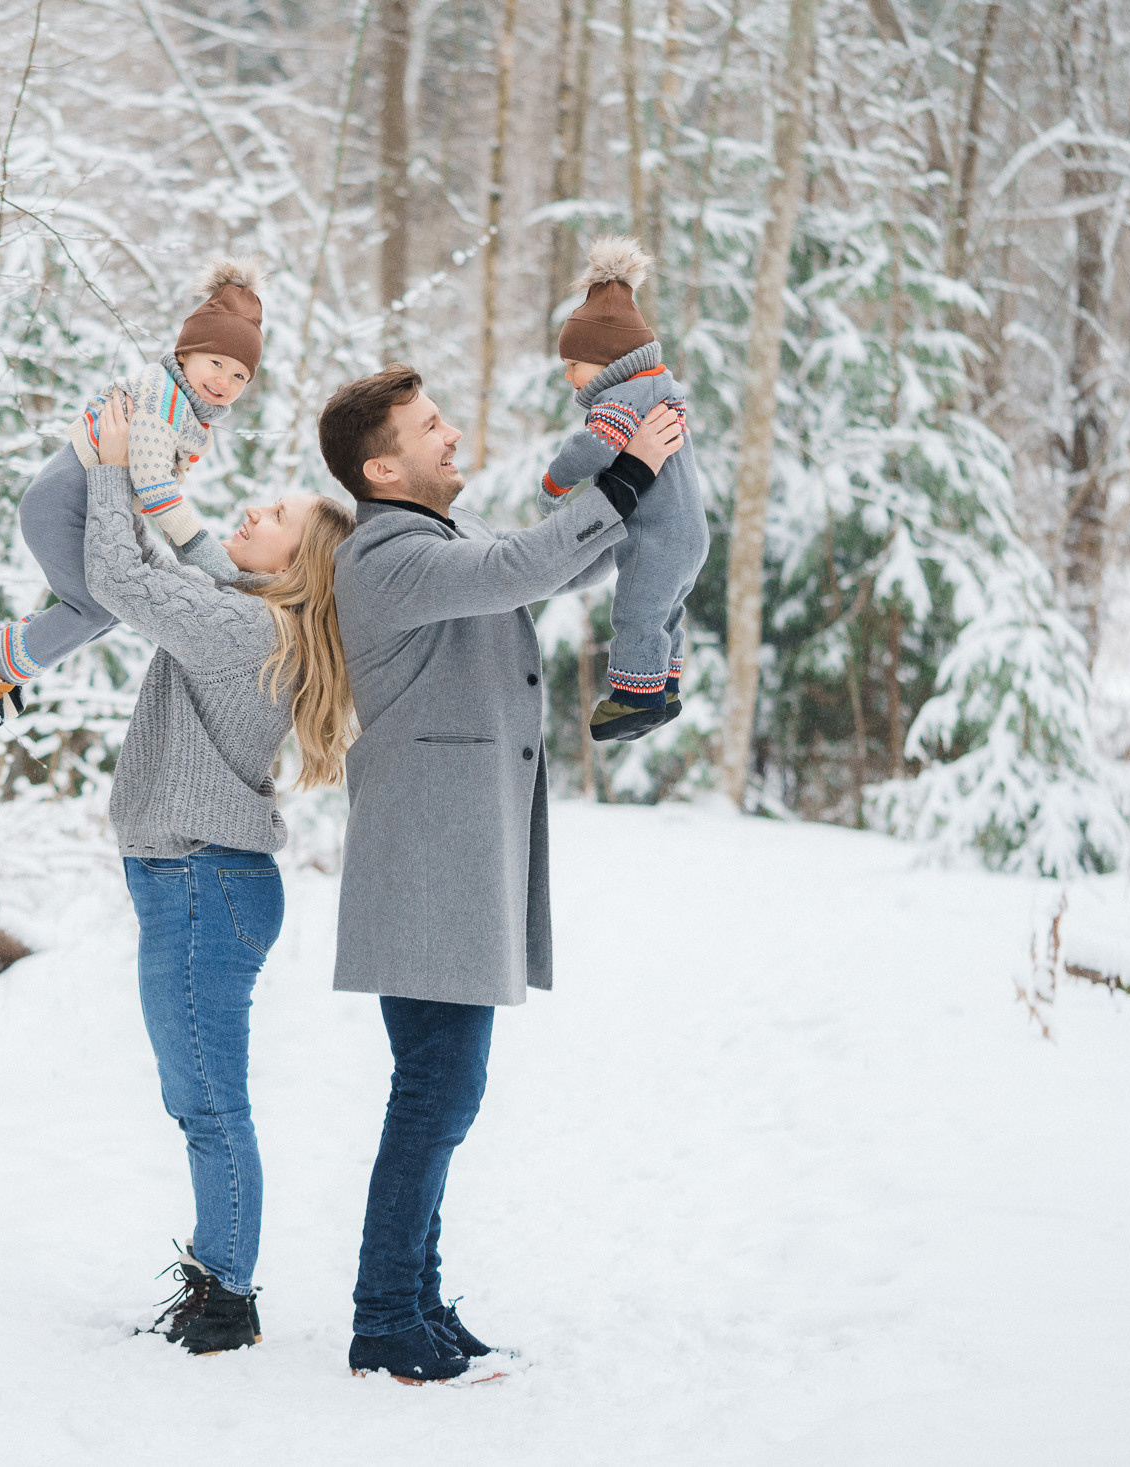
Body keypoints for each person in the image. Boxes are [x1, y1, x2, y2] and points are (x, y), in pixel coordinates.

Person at [316, 363, 683, 1382]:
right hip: (429, 856)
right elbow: (522, 569)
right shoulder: (386, 554)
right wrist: (621, 481)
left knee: (442, 1088)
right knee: (437, 1089)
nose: (452, 434)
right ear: (380, 465)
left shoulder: (443, 542)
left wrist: (634, 478)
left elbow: (546, 568)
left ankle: (418, 1305)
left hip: (452, 851)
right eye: (430, 426)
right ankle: (385, 1314)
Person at [81, 392, 358, 1354]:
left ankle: (226, 1294)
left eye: (274, 516)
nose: (253, 513)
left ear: (299, 564)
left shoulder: (244, 633)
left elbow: (120, 574)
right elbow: (188, 556)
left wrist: (116, 465)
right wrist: (156, 478)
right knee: (198, 1097)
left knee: (208, 1103)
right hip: (198, 882)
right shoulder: (249, 615)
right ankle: (217, 1276)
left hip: (204, 885)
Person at [0, 260, 266, 727]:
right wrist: (208, 557)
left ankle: (11, 657)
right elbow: (155, 489)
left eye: (239, 376)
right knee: (97, 604)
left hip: (86, 507)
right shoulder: (163, 402)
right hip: (63, 506)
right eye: (216, 363)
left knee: (113, 606)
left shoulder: (181, 407)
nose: (224, 381)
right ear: (186, 354)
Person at [538, 236, 712, 742]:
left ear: (607, 359)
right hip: (690, 535)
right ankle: (665, 688)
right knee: (666, 612)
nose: (570, 377)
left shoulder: (619, 400)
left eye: (574, 364)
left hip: (655, 537)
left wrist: (555, 483)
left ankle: (632, 698)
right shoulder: (661, 387)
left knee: (636, 611)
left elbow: (593, 448)